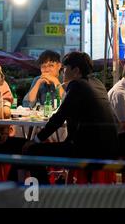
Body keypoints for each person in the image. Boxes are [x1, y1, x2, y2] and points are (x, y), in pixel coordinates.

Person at [23, 52, 119, 183]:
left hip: (87, 150)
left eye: (65, 68)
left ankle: (44, 195)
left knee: (33, 151)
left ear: (76, 71)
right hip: (110, 148)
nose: (63, 72)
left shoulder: (77, 85)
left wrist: (36, 140)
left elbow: (59, 118)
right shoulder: (98, 84)